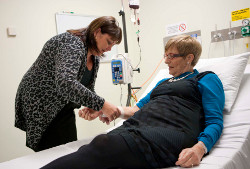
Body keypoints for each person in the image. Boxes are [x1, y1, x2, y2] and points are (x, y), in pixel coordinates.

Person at [41, 34, 225, 169]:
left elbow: (215, 121)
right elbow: (136, 109)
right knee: (98, 145)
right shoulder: (163, 82)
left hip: (172, 130)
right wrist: (106, 110)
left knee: (104, 146)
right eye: (165, 55)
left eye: (171, 56)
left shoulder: (204, 78)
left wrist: (200, 148)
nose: (166, 60)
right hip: (140, 125)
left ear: (189, 58)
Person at [15, 16, 122, 152]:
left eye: (113, 45)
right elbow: (65, 83)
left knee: (69, 149)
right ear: (97, 31)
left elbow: (87, 88)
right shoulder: (72, 43)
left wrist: (96, 108)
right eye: (109, 42)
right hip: (42, 103)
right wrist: (103, 104)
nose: (109, 49)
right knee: (54, 153)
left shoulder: (94, 56)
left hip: (62, 104)